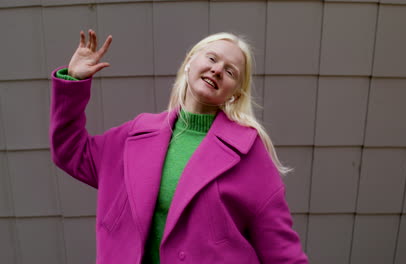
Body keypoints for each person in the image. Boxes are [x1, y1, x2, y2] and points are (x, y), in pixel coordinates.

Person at [50, 29, 308, 263]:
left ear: (235, 94)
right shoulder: (135, 134)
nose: (217, 70)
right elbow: (70, 151)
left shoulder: (249, 153)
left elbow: (283, 252)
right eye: (211, 59)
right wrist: (73, 82)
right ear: (189, 63)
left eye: (230, 71)